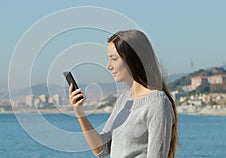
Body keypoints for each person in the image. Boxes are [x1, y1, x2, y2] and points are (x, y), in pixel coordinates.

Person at [68, 30, 178, 158]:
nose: (108, 66)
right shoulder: (124, 100)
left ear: (133, 59)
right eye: (108, 59)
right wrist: (79, 113)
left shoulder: (158, 104)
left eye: (114, 59)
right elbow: (101, 149)